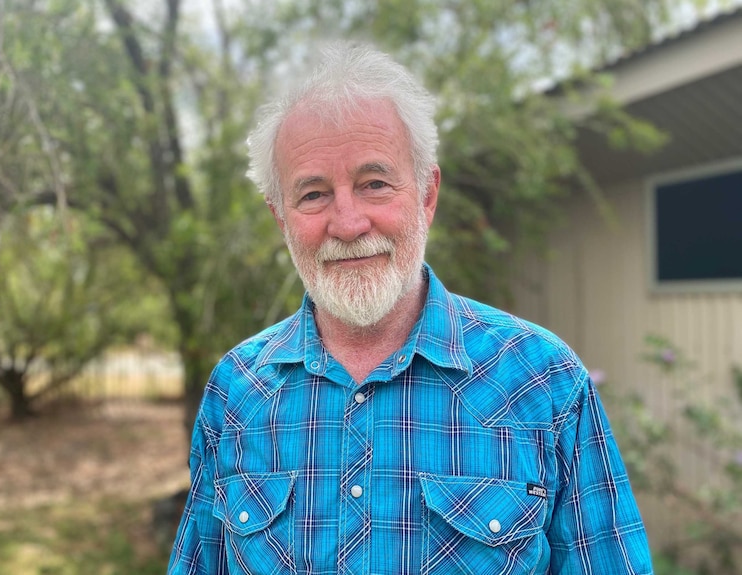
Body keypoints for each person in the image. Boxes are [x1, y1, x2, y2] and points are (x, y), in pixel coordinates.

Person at [167, 42, 653, 575]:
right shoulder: (235, 391)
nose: (348, 224)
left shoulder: (544, 380)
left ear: (426, 195)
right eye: (312, 194)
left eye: (375, 183)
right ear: (281, 218)